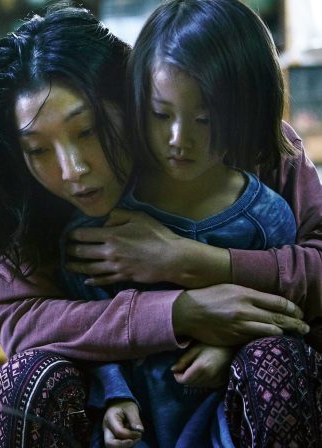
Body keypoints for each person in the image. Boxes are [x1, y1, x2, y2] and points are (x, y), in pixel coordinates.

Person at [0, 2, 322, 447]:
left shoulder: (245, 144)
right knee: (24, 380)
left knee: (276, 362)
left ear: (131, 99)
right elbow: (19, 319)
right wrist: (178, 313)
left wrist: (192, 261)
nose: (73, 169)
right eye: (39, 150)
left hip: (235, 392)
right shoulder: (18, 190)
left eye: (87, 130)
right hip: (112, 402)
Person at [54, 0, 299, 445]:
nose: (178, 139)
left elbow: (283, 315)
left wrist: (228, 347)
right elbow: (87, 314)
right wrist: (114, 394)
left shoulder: (265, 217)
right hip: (134, 422)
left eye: (203, 120)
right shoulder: (110, 214)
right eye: (160, 114)